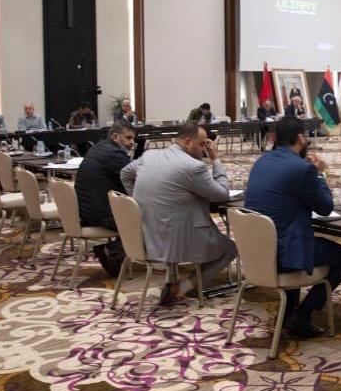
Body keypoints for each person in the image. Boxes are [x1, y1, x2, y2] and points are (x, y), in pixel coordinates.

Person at [244, 116, 341, 337]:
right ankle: (302, 315)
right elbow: (325, 208)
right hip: (283, 256)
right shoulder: (302, 169)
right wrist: (319, 174)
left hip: (256, 254)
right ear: (301, 138)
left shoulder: (261, 162)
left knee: (293, 235)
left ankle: (289, 312)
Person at [120, 122, 238, 305]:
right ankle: (182, 288)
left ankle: (173, 279)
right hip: (178, 239)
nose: (205, 149)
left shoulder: (149, 155)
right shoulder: (193, 167)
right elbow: (222, 194)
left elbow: (125, 174)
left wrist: (137, 203)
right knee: (230, 248)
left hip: (147, 235)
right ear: (188, 142)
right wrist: (215, 159)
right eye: (202, 144)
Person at [76, 121, 136, 276]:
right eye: (128, 138)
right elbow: (136, 178)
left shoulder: (98, 147)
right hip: (100, 214)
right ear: (115, 137)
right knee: (145, 218)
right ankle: (113, 252)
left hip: (85, 211)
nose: (132, 142)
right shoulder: (114, 154)